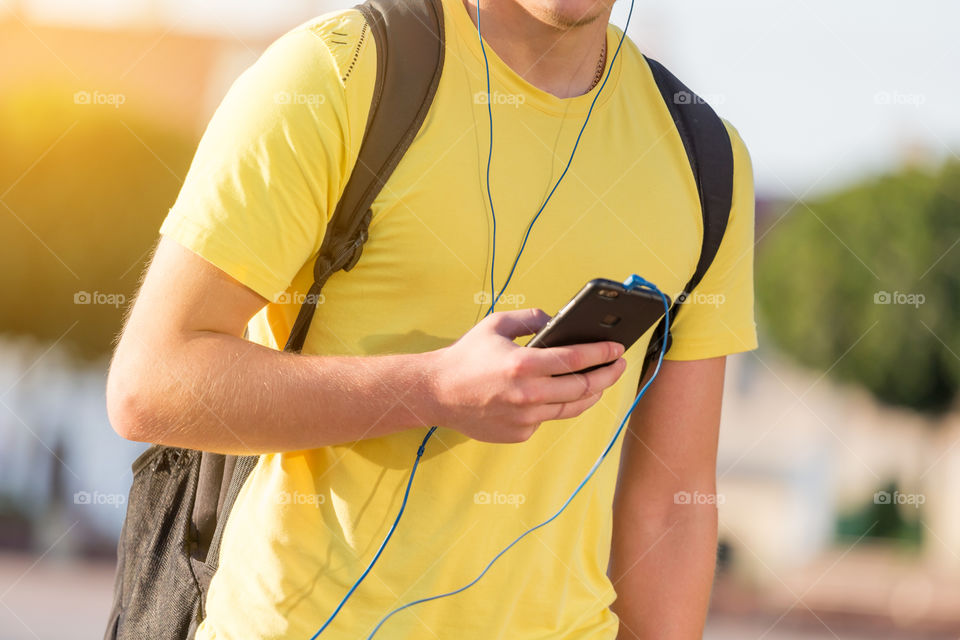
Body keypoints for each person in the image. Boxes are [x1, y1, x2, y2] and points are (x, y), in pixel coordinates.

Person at [106, 0, 757, 637]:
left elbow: (673, 500)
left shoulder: (703, 156)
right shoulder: (338, 74)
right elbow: (151, 384)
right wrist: (432, 390)